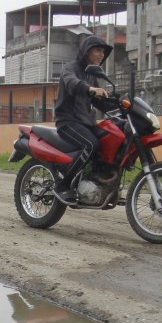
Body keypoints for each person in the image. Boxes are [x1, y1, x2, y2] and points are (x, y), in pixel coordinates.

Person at [52, 35, 113, 204]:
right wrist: (91, 89)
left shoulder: (92, 74)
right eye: (98, 50)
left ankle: (94, 179)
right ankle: (63, 185)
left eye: (103, 52)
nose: (101, 55)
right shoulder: (71, 68)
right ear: (87, 51)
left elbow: (101, 102)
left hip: (85, 122)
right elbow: (72, 83)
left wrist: (121, 104)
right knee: (91, 144)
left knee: (108, 138)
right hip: (67, 121)